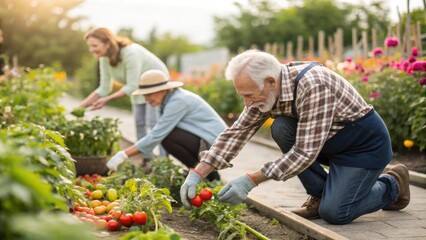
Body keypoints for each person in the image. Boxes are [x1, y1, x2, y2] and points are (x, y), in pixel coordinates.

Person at [180, 50, 410, 225]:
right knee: (281, 127)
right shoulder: (266, 91)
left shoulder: (314, 85)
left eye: (249, 95)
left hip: (363, 148)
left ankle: (392, 185)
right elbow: (237, 132)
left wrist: (251, 180)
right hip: (328, 142)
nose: (247, 103)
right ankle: (320, 194)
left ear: (271, 81)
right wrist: (199, 171)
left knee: (336, 213)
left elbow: (304, 153)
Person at [106, 69, 227, 181]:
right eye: (144, 95)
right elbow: (161, 135)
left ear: (163, 90)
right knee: (168, 136)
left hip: (218, 145)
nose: (146, 99)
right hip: (207, 142)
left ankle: (208, 177)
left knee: (168, 136)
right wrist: (162, 167)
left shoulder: (178, 101)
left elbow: (157, 135)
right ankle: (201, 174)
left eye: (149, 94)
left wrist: (124, 154)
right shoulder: (168, 101)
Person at [77, 27, 169, 149]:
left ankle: (163, 159)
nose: (91, 50)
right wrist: (80, 107)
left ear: (108, 43)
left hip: (156, 84)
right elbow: (104, 88)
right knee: (139, 123)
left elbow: (132, 85)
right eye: (89, 46)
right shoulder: (104, 58)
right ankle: (146, 159)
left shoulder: (130, 53)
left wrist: (106, 100)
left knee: (153, 123)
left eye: (94, 46)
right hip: (138, 87)